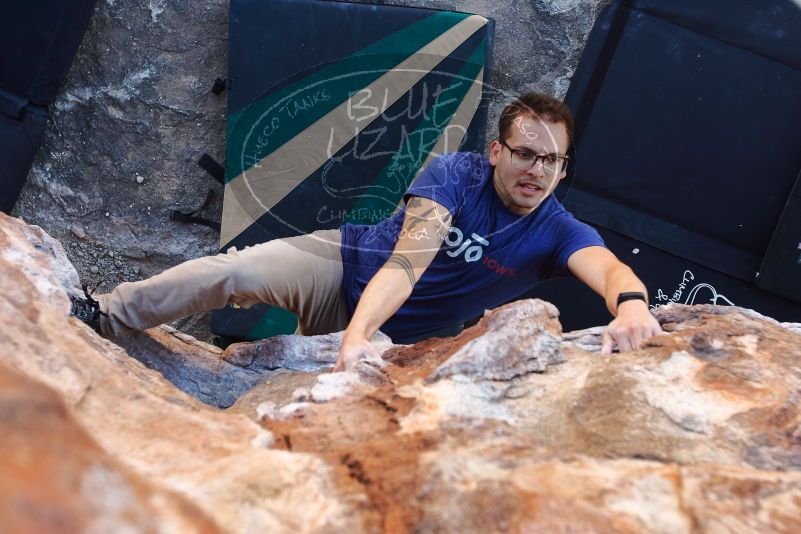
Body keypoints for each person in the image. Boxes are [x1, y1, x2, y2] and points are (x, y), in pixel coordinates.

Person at [70, 92, 662, 370]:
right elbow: (406, 264)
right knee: (236, 270)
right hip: (345, 265)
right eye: (526, 154)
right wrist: (355, 336)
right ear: (495, 152)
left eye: (552, 161)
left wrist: (632, 306)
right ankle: (101, 315)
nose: (537, 170)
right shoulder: (456, 175)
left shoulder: (558, 229)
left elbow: (607, 268)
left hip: (406, 342)